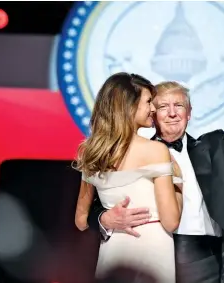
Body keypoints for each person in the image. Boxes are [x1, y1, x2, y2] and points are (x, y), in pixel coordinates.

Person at [88, 81, 224, 283]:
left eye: (179, 105)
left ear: (189, 113)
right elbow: (95, 202)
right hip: (155, 252)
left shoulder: (212, 148)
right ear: (152, 114)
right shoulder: (133, 153)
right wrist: (104, 218)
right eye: (163, 106)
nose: (172, 113)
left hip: (209, 258)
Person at [73, 73, 183, 283]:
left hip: (113, 252)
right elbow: (171, 222)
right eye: (149, 102)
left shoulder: (91, 152)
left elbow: (80, 219)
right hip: (153, 250)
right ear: (129, 106)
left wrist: (104, 219)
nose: (153, 108)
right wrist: (179, 183)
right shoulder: (156, 150)